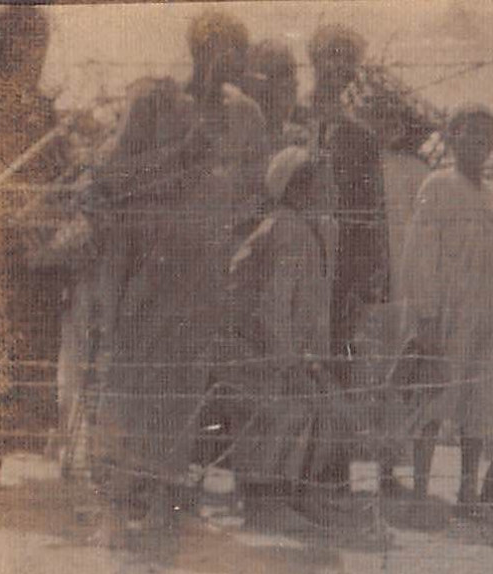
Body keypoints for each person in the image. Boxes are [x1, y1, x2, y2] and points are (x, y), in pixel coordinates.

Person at [87, 11, 267, 529]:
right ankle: (122, 487)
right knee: (136, 371)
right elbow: (112, 175)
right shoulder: (156, 102)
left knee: (186, 380)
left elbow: (257, 190)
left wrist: (225, 228)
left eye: (235, 49)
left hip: (205, 270)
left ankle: (164, 488)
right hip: (147, 263)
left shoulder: (247, 117)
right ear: (195, 50)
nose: (224, 60)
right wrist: (178, 158)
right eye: (214, 48)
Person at [0, 7, 62, 491]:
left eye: (40, 42)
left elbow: (56, 171)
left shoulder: (43, 109)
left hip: (25, 252)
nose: (34, 53)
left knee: (17, 355)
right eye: (26, 41)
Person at [224, 147, 337, 534]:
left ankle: (284, 497)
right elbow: (276, 301)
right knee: (281, 414)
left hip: (281, 349)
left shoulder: (300, 227)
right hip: (268, 351)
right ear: (300, 186)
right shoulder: (288, 229)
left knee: (303, 412)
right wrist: (287, 359)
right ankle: (262, 503)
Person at [300, 24, 391, 497]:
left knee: (337, 363)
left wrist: (375, 278)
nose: (336, 66)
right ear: (314, 58)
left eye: (345, 58)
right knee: (287, 359)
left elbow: (374, 213)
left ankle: (330, 474)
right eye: (329, 54)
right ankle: (281, 473)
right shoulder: (292, 119)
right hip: (294, 255)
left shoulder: (361, 137)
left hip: (343, 271)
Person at [399, 105, 493, 509]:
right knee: (434, 397)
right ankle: (422, 491)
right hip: (446, 311)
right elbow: (420, 253)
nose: (480, 142)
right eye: (471, 133)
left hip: (486, 310)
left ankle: (468, 490)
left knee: (478, 403)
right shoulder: (438, 185)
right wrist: (426, 313)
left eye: (487, 135)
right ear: (453, 136)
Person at [242, 38, 301, 148]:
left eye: (291, 74)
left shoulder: (299, 138)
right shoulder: (242, 139)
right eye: (282, 74)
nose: (295, 83)